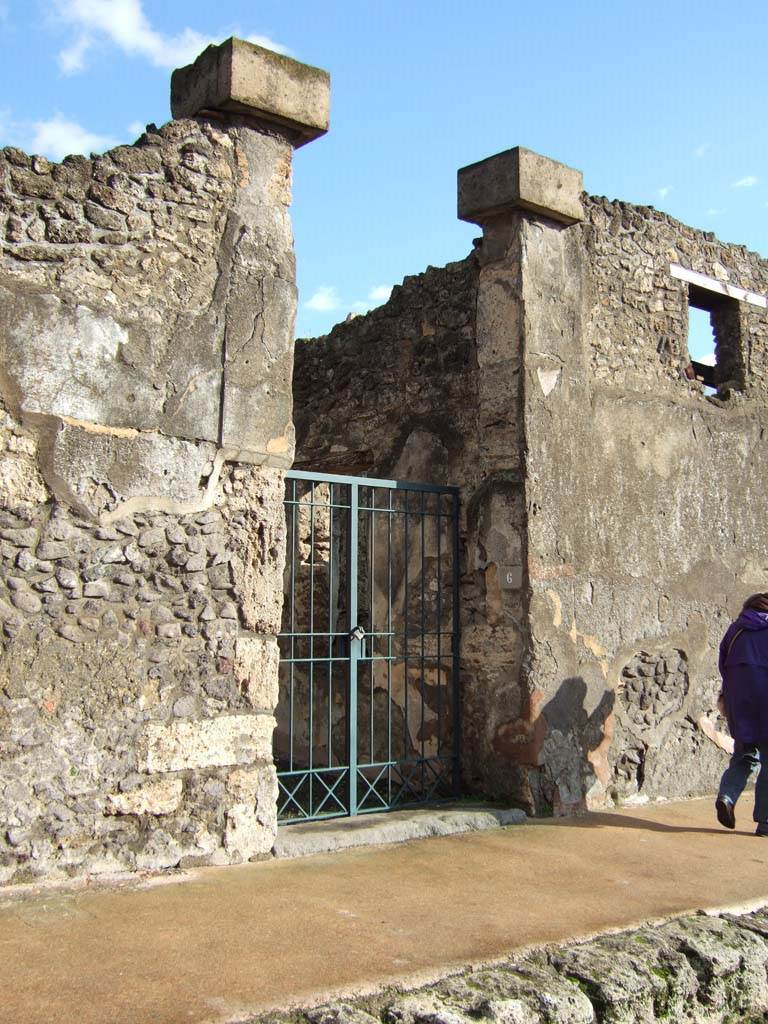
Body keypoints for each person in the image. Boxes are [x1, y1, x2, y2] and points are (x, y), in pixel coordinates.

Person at [716, 592, 768, 835]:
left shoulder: (736, 630)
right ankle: (766, 821)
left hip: (739, 703)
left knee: (744, 754)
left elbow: (723, 665)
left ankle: (727, 797)